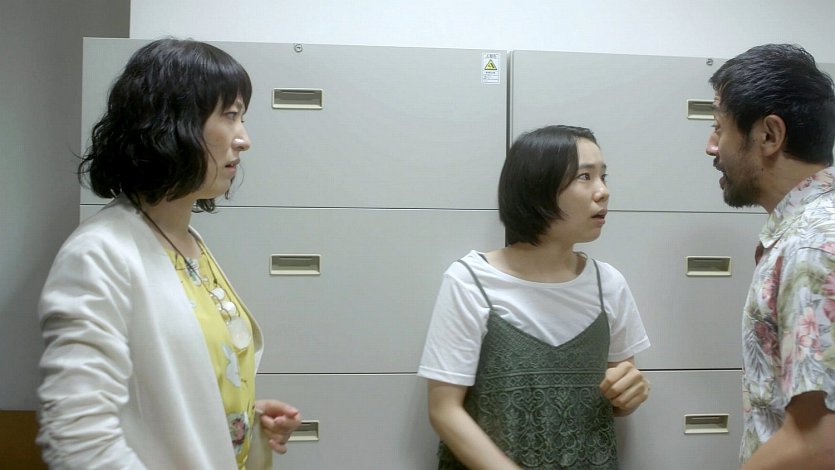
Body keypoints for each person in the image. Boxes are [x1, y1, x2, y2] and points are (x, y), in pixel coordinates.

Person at [36, 38, 301, 469]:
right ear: (174, 123)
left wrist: (239, 421)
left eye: (242, 118)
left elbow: (170, 391)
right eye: (230, 116)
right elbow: (77, 441)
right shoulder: (98, 254)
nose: (244, 140)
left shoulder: (186, 241)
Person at [418, 125, 651, 469]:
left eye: (603, 176)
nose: (603, 192)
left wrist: (631, 393)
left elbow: (620, 396)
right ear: (537, 187)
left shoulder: (609, 284)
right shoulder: (470, 281)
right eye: (585, 177)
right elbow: (444, 410)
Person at [705, 43, 835, 469]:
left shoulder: (811, 246)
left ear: (769, 135)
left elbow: (820, 444)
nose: (711, 146)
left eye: (718, 127)